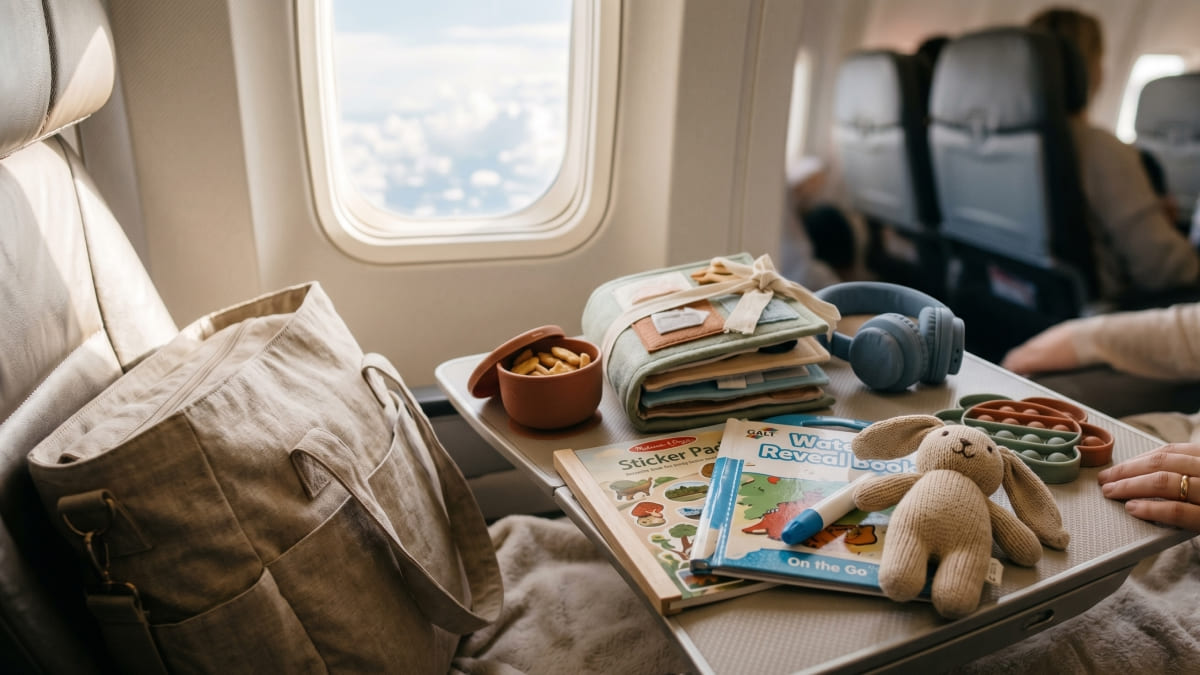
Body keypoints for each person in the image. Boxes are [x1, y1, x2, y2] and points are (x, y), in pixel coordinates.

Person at [1030, 7, 1199, 301]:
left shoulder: (997, 145)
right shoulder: (1099, 148)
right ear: (1088, 69)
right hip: (1103, 315)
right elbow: (1166, 271)